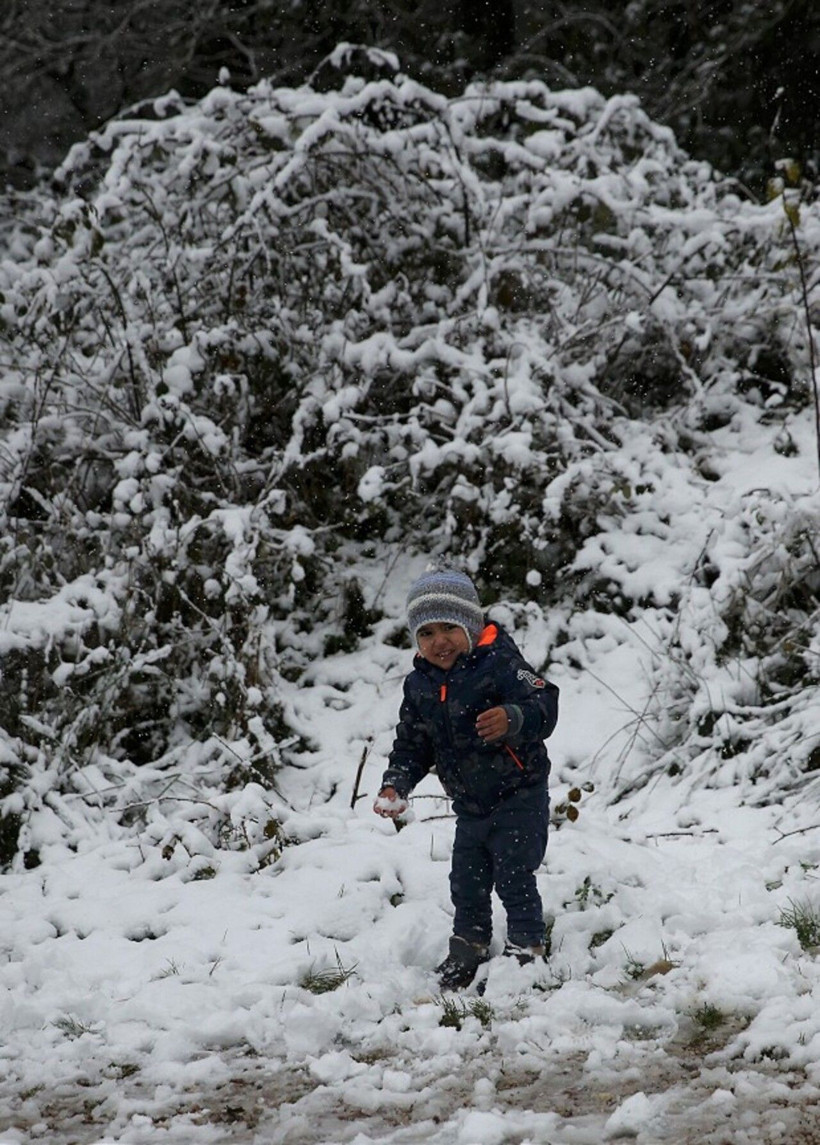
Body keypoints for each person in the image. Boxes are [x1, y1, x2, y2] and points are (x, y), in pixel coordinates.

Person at [374, 566, 559, 989]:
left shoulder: (500, 664)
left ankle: (527, 948)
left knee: (514, 875)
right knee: (466, 882)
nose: (438, 641)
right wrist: (397, 782)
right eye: (426, 633)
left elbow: (545, 701)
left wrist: (513, 717)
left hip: (519, 793)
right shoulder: (420, 685)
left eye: (449, 628)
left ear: (471, 627)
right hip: (471, 805)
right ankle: (468, 946)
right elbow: (412, 743)